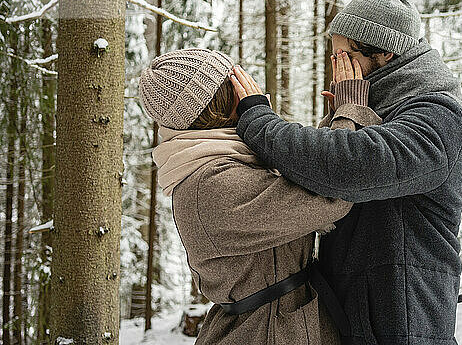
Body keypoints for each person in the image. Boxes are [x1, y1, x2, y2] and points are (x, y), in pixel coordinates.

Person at [230, 0, 462, 344]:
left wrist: (259, 120)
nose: (335, 67)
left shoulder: (439, 115)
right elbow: (317, 178)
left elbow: (346, 166)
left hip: (403, 318)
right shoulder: (379, 103)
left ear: (384, 51)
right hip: (356, 311)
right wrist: (345, 113)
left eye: (344, 56)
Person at [138, 47, 382, 344]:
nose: (248, 83)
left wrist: (336, 119)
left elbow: (302, 180)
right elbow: (334, 191)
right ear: (224, 98)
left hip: (277, 325)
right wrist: (349, 113)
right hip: (264, 333)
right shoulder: (210, 184)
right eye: (235, 78)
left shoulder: (222, 159)